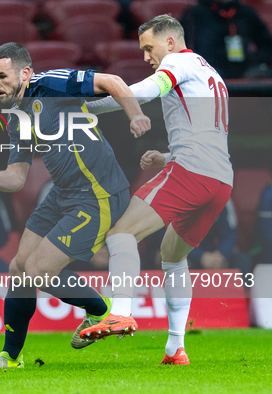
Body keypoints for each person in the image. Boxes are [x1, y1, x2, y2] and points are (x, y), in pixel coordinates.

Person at [0, 42, 151, 369]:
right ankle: (9, 358)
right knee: (19, 269)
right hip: (63, 192)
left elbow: (112, 82)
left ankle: (103, 310)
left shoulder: (51, 83)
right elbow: (17, 177)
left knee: (38, 270)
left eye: (1, 76)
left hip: (98, 193)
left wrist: (135, 115)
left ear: (24, 73)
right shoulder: (16, 116)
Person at [81, 15, 234, 366]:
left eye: (149, 48)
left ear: (169, 42)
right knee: (173, 256)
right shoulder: (213, 75)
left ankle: (120, 311)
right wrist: (166, 155)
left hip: (192, 172)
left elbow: (143, 93)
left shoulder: (178, 61)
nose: (147, 56)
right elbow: (210, 135)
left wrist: (85, 105)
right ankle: (175, 349)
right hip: (220, 179)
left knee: (121, 234)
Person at [181, 0, 272, 79]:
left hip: (245, 70)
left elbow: (266, 44)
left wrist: (256, 62)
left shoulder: (245, 13)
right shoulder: (194, 14)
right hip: (210, 71)